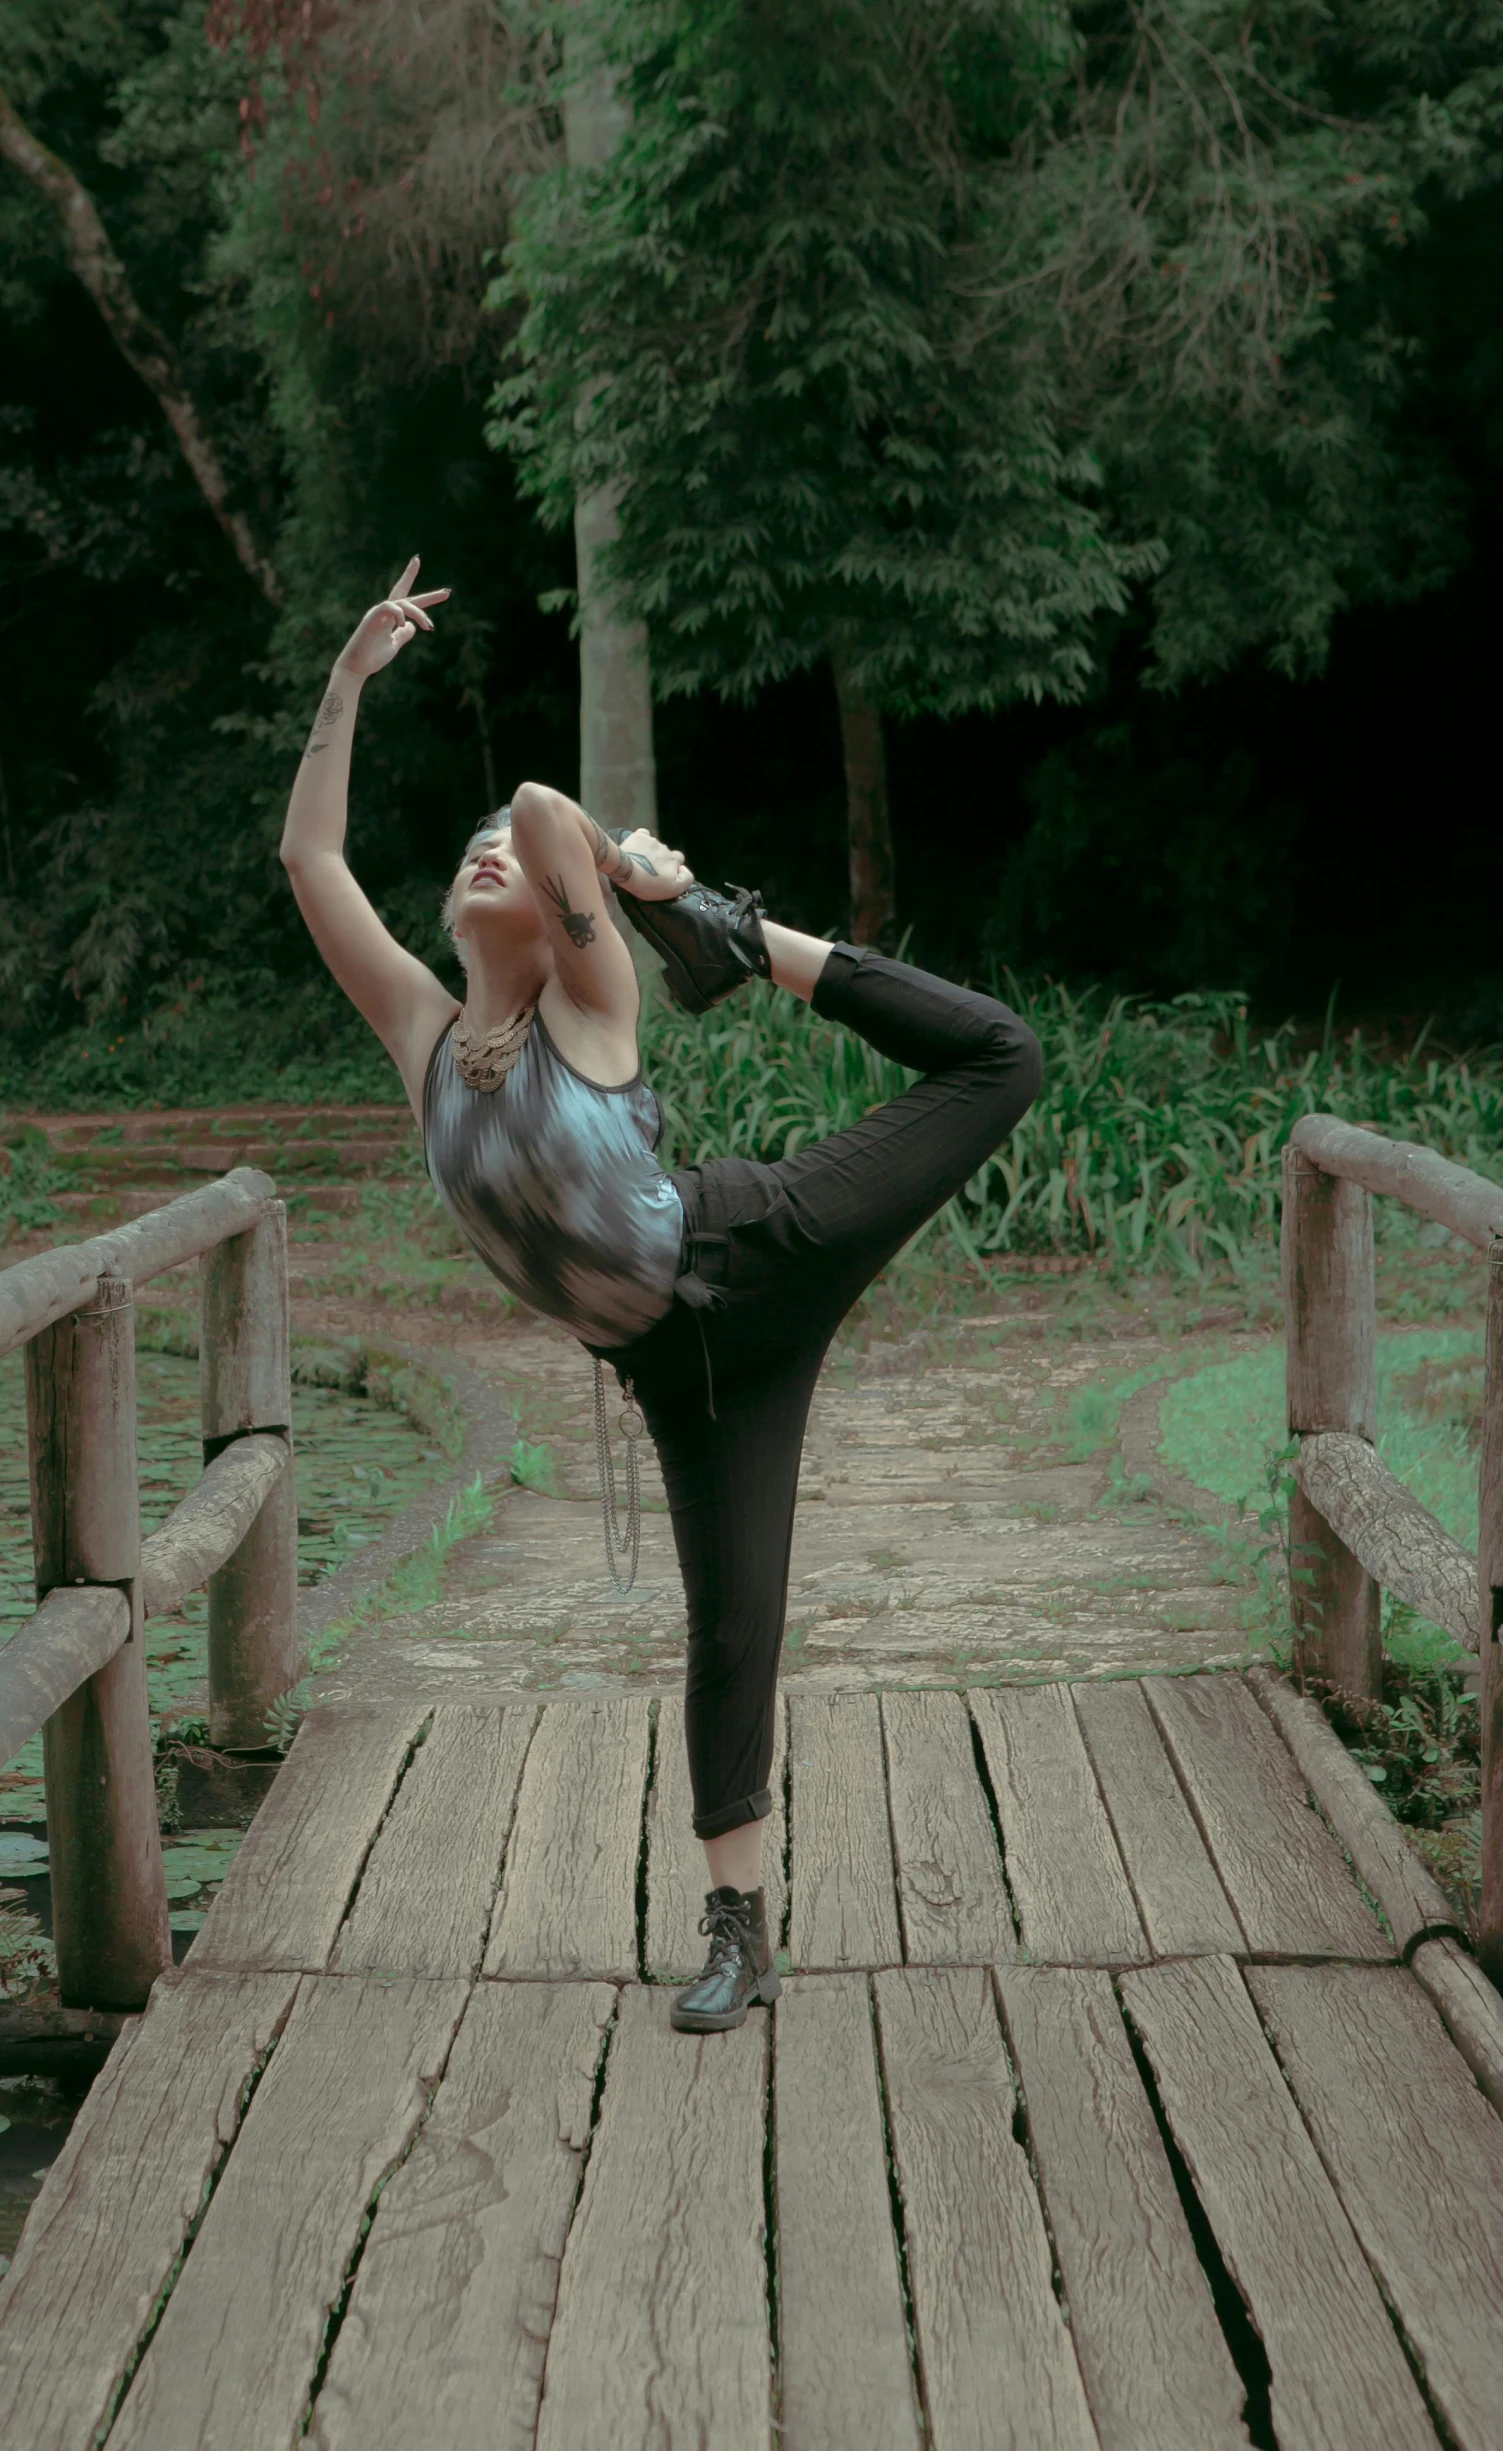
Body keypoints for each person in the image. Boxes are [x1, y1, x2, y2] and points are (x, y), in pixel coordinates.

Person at [281, 561, 1043, 2032]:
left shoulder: (587, 1000)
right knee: (729, 1624)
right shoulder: (422, 1036)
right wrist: (347, 679)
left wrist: (644, 895)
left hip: (754, 1247)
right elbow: (313, 863)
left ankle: (744, 941)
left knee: (999, 1061)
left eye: (501, 849)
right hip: (680, 1369)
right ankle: (737, 1934)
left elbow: (546, 812)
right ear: (447, 915)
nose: (487, 852)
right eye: (466, 858)